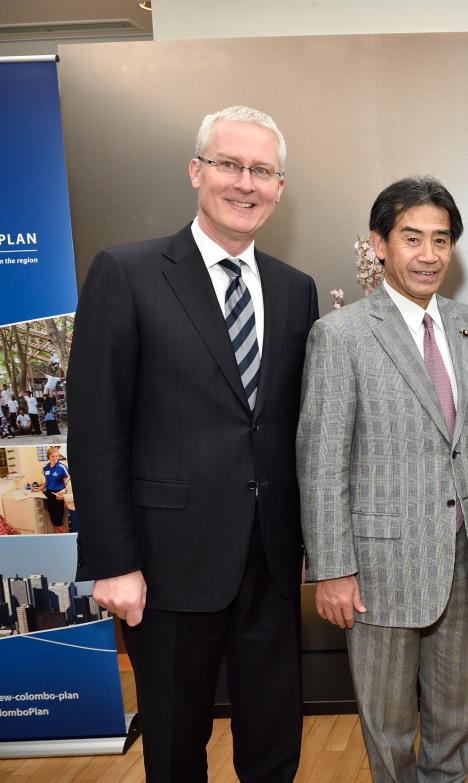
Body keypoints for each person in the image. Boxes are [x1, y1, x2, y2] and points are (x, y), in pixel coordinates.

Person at [70, 105, 318, 781]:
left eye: (261, 170)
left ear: (279, 187)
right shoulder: (127, 273)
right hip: (166, 566)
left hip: (268, 562)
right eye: (229, 164)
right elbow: (96, 430)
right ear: (195, 171)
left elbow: (291, 427)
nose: (245, 183)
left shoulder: (296, 293)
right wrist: (112, 561)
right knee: (177, 748)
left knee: (274, 744)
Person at [298, 176, 468, 782]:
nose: (428, 254)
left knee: (454, 712)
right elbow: (321, 460)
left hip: (465, 557)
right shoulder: (341, 334)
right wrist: (333, 568)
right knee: (387, 723)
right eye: (412, 238)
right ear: (379, 244)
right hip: (379, 566)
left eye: (441, 240)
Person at [41, 445, 69, 532]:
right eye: (53, 456)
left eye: (56, 456)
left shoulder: (62, 467)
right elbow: (47, 482)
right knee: (53, 520)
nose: (55, 458)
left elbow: (67, 484)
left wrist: (64, 495)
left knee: (59, 521)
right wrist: (40, 488)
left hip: (59, 495)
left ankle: (64, 540)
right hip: (49, 495)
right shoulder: (45, 468)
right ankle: (58, 538)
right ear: (48, 457)